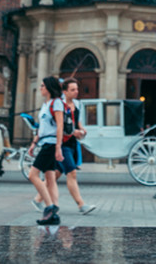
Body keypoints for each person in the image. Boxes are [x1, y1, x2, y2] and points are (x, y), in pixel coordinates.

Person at [28, 77, 66, 225]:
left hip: (51, 144)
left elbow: (60, 126)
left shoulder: (57, 103)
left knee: (33, 175)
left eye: (43, 86)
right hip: (44, 143)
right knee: (50, 178)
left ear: (49, 88)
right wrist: (34, 143)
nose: (41, 88)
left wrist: (58, 147)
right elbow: (42, 128)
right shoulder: (46, 104)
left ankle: (49, 208)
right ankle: (53, 213)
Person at [59, 79, 96, 215]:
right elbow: (59, 126)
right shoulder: (60, 106)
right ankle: (81, 204)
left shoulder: (77, 104)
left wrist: (82, 129)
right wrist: (74, 132)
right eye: (73, 90)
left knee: (56, 174)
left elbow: (77, 121)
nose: (76, 92)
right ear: (65, 91)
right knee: (72, 173)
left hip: (73, 143)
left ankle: (38, 199)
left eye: (77, 89)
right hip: (62, 143)